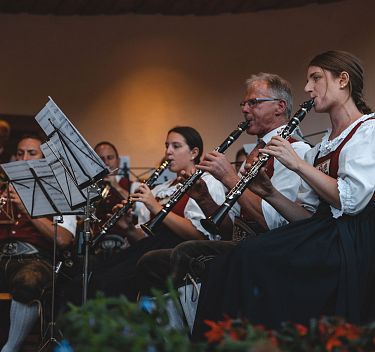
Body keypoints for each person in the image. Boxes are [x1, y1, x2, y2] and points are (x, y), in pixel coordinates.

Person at [192, 50, 375, 338]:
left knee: (253, 257)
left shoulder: (368, 131)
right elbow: (306, 217)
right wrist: (270, 193)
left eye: (316, 78)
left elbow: (349, 200)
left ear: (343, 80)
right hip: (324, 235)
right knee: (230, 262)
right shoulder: (322, 146)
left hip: (354, 243)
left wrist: (298, 164)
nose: (307, 88)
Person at [136, 73, 311, 294]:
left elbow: (274, 224)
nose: (245, 109)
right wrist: (204, 198)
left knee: (183, 253)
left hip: (271, 248)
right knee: (152, 259)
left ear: (279, 106)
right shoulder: (257, 152)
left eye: (253, 103)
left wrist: (229, 178)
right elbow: (231, 228)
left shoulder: (295, 151)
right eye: (244, 104)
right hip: (243, 244)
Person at [65, 126, 227, 303]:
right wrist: (127, 228)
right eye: (166, 146)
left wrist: (157, 208)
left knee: (107, 283)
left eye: (176, 146)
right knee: (87, 278)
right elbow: (146, 239)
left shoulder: (207, 183)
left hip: (179, 256)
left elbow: (201, 237)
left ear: (194, 152)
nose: (168, 152)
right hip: (151, 249)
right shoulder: (161, 189)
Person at [0, 135, 76, 352]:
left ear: (45, 160)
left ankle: (10, 348)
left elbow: (63, 239)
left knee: (29, 280)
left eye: (32, 153)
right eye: (20, 153)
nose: (24, 159)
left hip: (35, 258)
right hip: (2, 255)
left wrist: (28, 210)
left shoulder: (59, 192)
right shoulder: (5, 188)